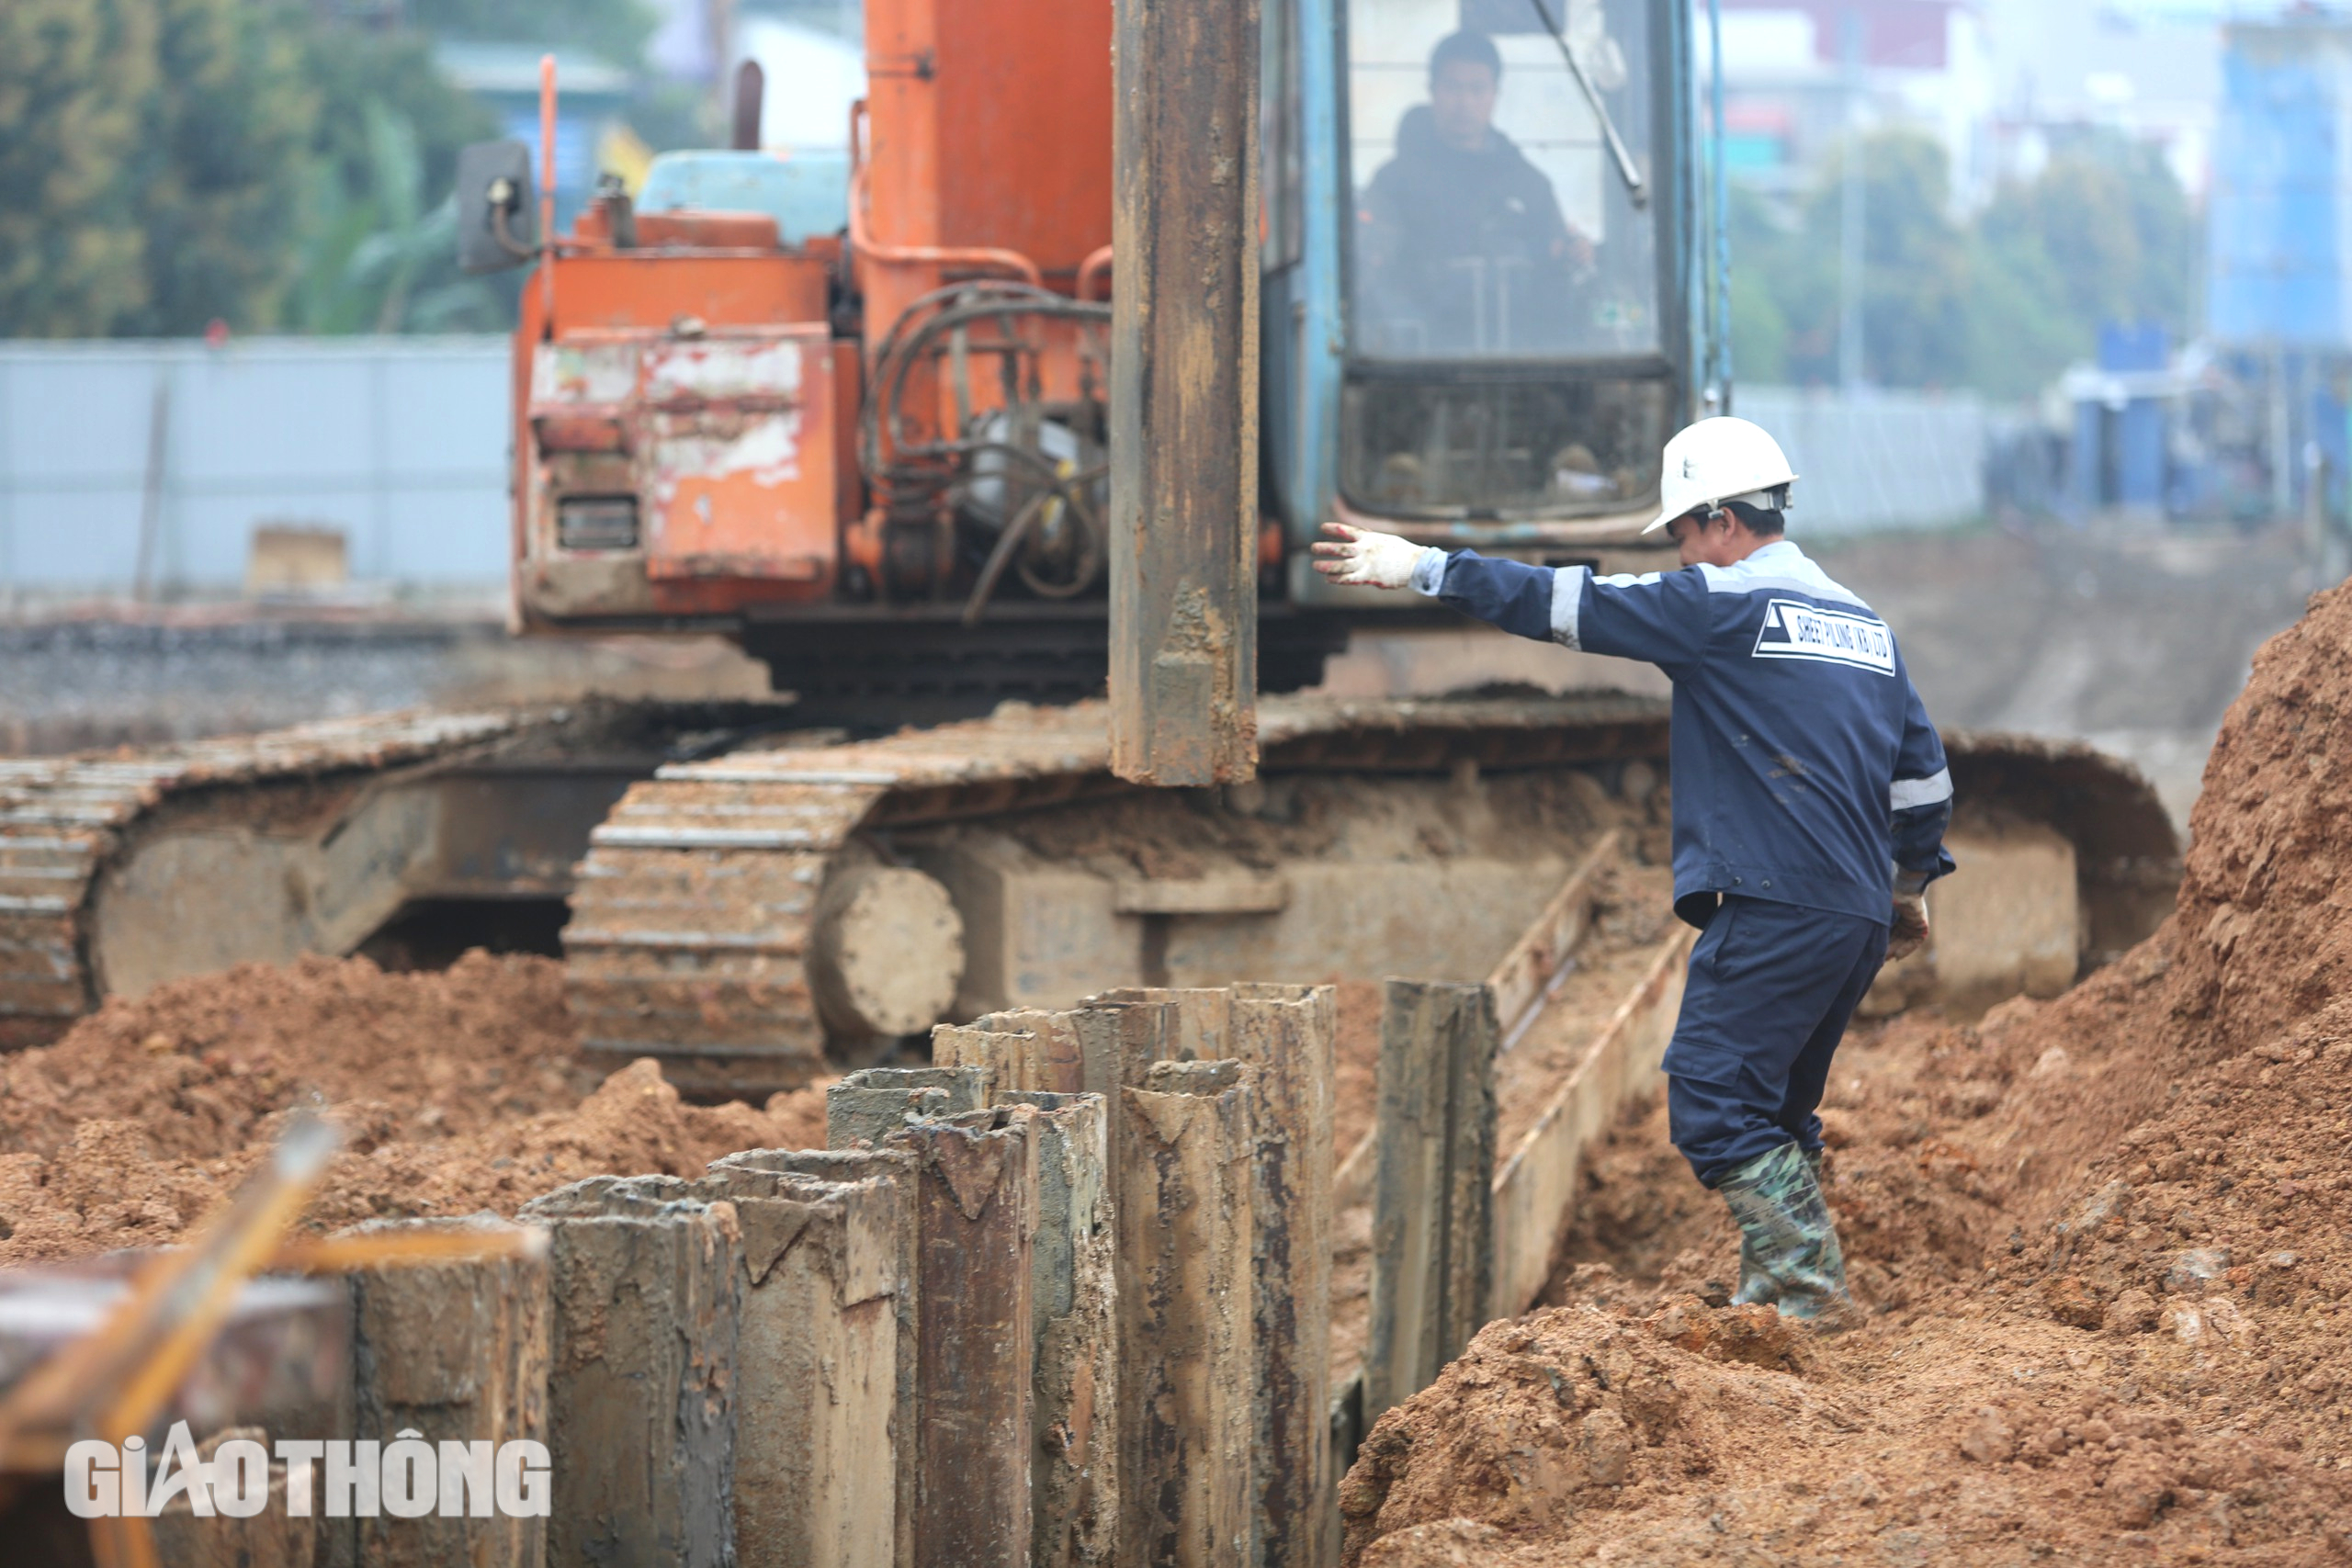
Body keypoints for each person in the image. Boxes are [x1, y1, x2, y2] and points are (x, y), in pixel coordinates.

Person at [1312, 416, 1954, 1325]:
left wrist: (1421, 566)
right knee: (1774, 1108)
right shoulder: (1863, 625)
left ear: (1723, 520)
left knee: (1709, 1098)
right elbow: (1923, 778)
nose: (1681, 555)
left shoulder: (1717, 605)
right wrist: (1905, 889)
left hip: (1773, 897)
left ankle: (1807, 1290)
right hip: (1852, 914)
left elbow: (1565, 606)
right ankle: (1781, 1297)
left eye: (1683, 533)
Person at [1357, 29, 1591, 355]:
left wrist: (1572, 253)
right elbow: (1371, 272)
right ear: (1433, 91)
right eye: (1452, 87)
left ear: (1496, 94)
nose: (1464, 102)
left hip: (1518, 363)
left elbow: (1555, 266)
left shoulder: (1528, 185)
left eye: (1477, 89)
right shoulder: (1393, 184)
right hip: (1418, 364)